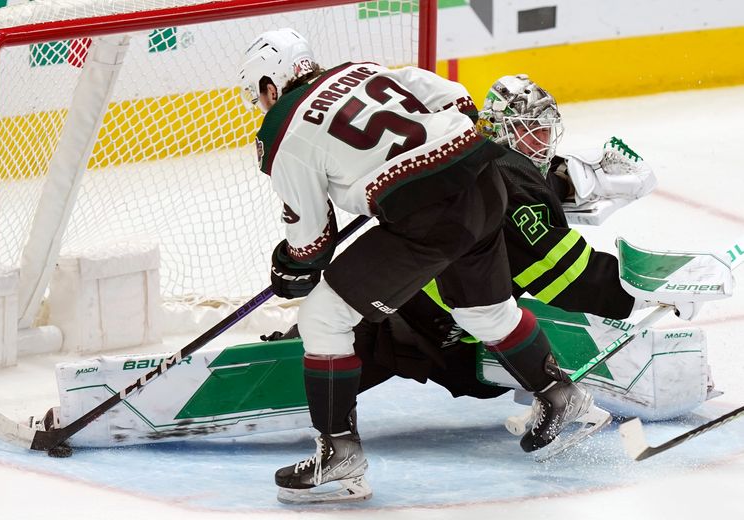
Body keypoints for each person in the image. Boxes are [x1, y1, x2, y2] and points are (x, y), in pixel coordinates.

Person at [238, 30, 608, 504]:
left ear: (271, 86)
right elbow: (454, 97)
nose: (263, 107)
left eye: (260, 97)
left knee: (322, 316)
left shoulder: (283, 130)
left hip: (431, 215)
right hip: (483, 181)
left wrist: (291, 267)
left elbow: (311, 239)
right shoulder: (358, 70)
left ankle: (340, 455)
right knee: (483, 311)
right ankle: (562, 396)